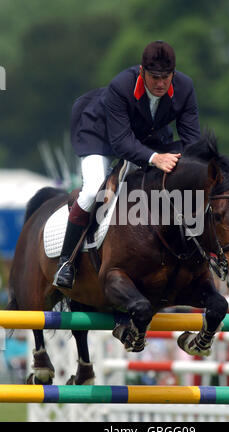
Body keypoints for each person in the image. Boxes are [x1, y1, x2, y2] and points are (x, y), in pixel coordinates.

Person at [53, 40, 201, 289]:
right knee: (91, 192)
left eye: (166, 77)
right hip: (99, 136)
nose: (161, 83)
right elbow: (121, 143)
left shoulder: (185, 88)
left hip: (147, 138)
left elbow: (192, 141)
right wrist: (155, 158)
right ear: (142, 72)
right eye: (154, 77)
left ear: (173, 74)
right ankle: (67, 262)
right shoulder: (121, 86)